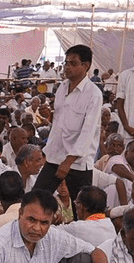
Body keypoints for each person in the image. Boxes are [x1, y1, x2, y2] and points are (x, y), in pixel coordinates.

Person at [44, 44, 104, 186]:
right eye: (66, 63)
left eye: (73, 63)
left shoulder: (93, 94)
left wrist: (68, 161)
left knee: (81, 207)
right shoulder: (62, 87)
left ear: (86, 66)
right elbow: (58, 124)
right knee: (38, 200)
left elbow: (87, 132)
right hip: (54, 157)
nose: (67, 67)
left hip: (78, 164)